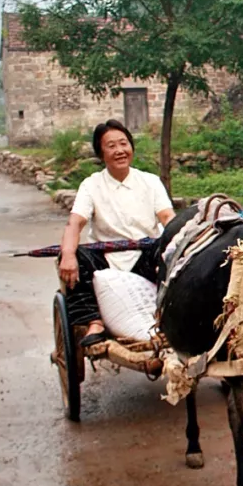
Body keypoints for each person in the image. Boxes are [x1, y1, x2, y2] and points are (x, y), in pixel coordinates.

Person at [58, 119, 176, 347]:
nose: (119, 150)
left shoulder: (150, 182)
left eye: (123, 143)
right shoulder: (91, 185)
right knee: (75, 256)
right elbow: (75, 222)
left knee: (169, 253)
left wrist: (180, 241)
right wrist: (68, 254)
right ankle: (94, 321)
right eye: (111, 146)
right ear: (101, 153)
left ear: (131, 147)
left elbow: (167, 218)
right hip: (105, 258)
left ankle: (165, 319)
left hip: (144, 255)